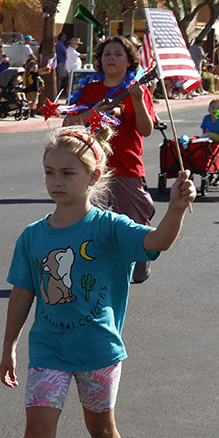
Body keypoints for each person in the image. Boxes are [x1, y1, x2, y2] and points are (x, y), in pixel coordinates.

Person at [0, 125, 195, 438]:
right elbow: (23, 292)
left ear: (94, 174)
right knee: (37, 434)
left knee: (101, 430)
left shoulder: (110, 228)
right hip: (49, 351)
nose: (56, 182)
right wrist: (9, 345)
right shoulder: (32, 236)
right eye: (49, 172)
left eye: (68, 173)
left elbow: (156, 242)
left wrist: (174, 211)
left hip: (98, 351)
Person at [63, 36, 156, 283]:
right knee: (93, 219)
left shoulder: (139, 89)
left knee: (135, 217)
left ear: (129, 61)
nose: (111, 58)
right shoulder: (89, 89)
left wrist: (137, 99)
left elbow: (146, 130)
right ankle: (98, 266)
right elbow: (67, 123)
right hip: (91, 166)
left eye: (117, 54)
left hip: (127, 165)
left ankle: (142, 254)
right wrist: (93, 112)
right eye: (106, 54)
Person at [55, 32, 69, 97]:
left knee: (60, 77)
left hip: (59, 61)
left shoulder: (58, 44)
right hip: (61, 62)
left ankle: (59, 90)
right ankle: (58, 91)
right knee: (60, 77)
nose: (65, 38)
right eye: (64, 37)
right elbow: (64, 52)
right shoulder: (60, 44)